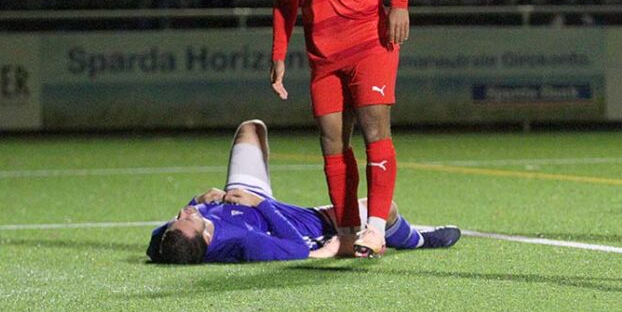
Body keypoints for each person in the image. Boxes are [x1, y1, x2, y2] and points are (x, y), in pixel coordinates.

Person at [250, 0, 411, 259]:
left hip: (370, 44)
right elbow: (285, 4)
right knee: (332, 142)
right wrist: (279, 54)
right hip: (324, 56)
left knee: (376, 129)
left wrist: (399, 6)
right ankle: (344, 233)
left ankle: (376, 229)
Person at [147, 120, 461, 264]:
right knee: (385, 208)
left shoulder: (170, 241)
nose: (184, 213)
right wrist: (262, 204)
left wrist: (198, 201)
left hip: (241, 196)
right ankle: (418, 239)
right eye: (189, 218)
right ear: (205, 239)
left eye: (178, 217)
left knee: (251, 128)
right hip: (294, 221)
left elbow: (159, 242)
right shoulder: (244, 243)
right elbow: (296, 247)